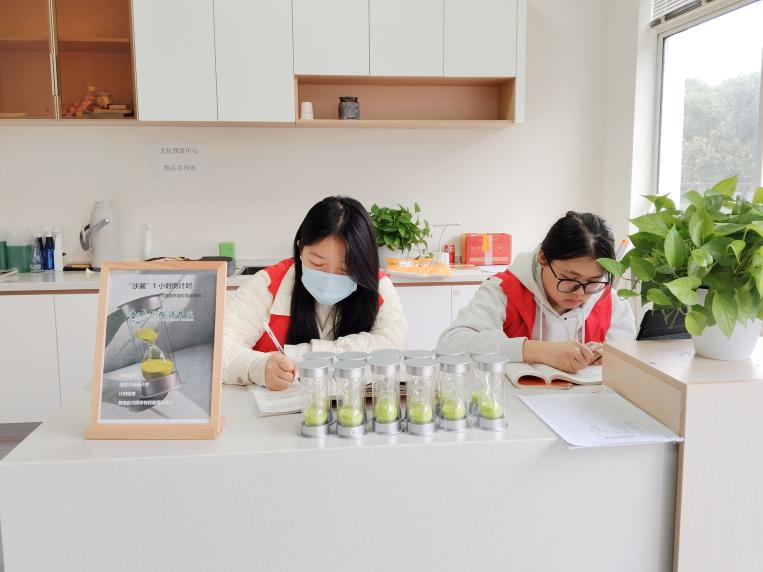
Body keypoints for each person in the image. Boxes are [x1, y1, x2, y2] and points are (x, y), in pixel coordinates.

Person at [223, 196, 408, 389]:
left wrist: (301, 355)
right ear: (300, 249)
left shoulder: (377, 286)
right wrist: (257, 366)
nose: (329, 277)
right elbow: (219, 348)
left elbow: (392, 348)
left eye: (346, 268)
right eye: (317, 263)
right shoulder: (267, 284)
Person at [437, 211, 635, 373]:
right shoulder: (504, 290)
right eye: (569, 279)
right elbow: (449, 345)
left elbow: (630, 359)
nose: (580, 293)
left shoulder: (608, 300)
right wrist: (536, 350)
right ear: (543, 258)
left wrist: (610, 356)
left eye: (592, 281)